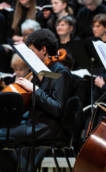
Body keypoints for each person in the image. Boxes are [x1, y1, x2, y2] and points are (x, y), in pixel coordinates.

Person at [0, 29, 74, 172]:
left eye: (32, 50)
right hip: (34, 123)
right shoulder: (39, 71)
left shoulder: (59, 72)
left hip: (48, 128)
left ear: (43, 50)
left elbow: (57, 108)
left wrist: (34, 89)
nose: (29, 56)